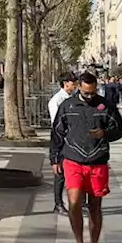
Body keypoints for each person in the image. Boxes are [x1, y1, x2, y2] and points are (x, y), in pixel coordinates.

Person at [49, 72, 122, 243]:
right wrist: (55, 158)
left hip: (97, 161)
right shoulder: (67, 106)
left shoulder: (105, 105)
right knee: (74, 203)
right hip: (73, 160)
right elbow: (57, 132)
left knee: (95, 207)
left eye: (92, 93)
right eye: (85, 93)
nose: (89, 97)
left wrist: (104, 133)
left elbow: (119, 130)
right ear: (79, 88)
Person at [47, 73, 77, 215]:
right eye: (73, 82)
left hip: (74, 141)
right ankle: (58, 204)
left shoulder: (73, 98)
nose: (75, 85)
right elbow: (56, 125)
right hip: (61, 141)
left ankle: (80, 203)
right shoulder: (56, 101)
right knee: (60, 173)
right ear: (66, 83)